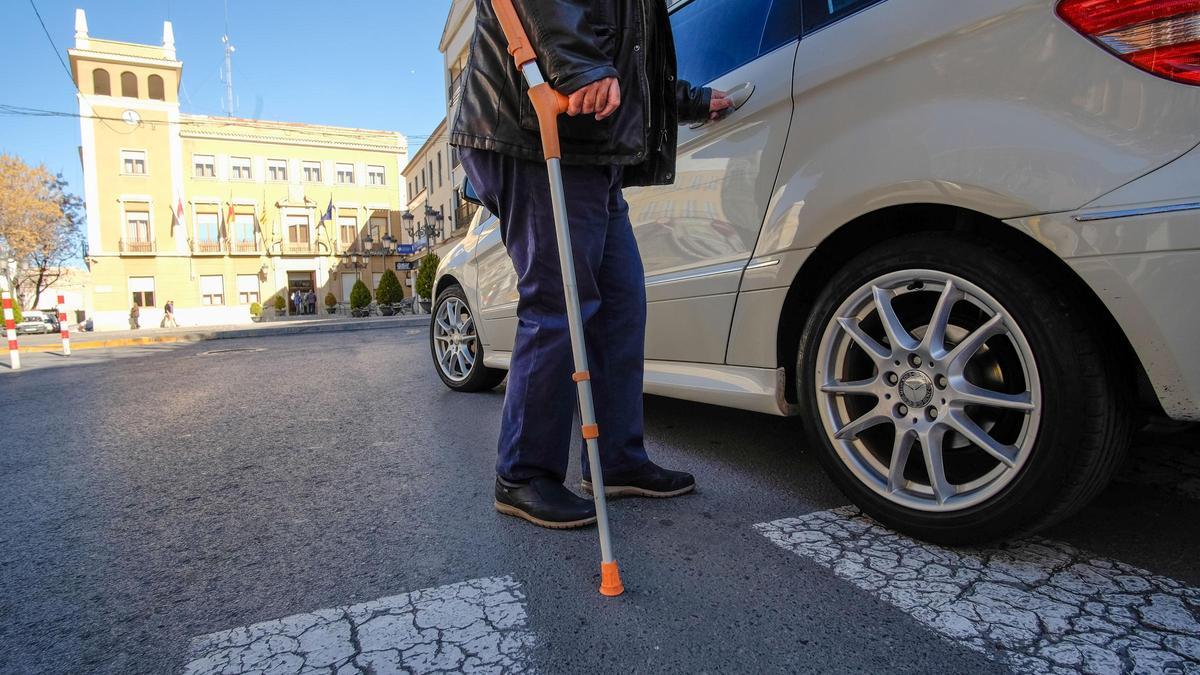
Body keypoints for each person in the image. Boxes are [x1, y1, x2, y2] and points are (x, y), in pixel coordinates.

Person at [451, 0, 732, 528]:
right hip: (534, 125)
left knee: (621, 305)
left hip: (593, 143)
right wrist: (580, 66)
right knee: (559, 302)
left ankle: (616, 462)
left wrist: (689, 101)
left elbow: (630, 58)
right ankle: (523, 475)